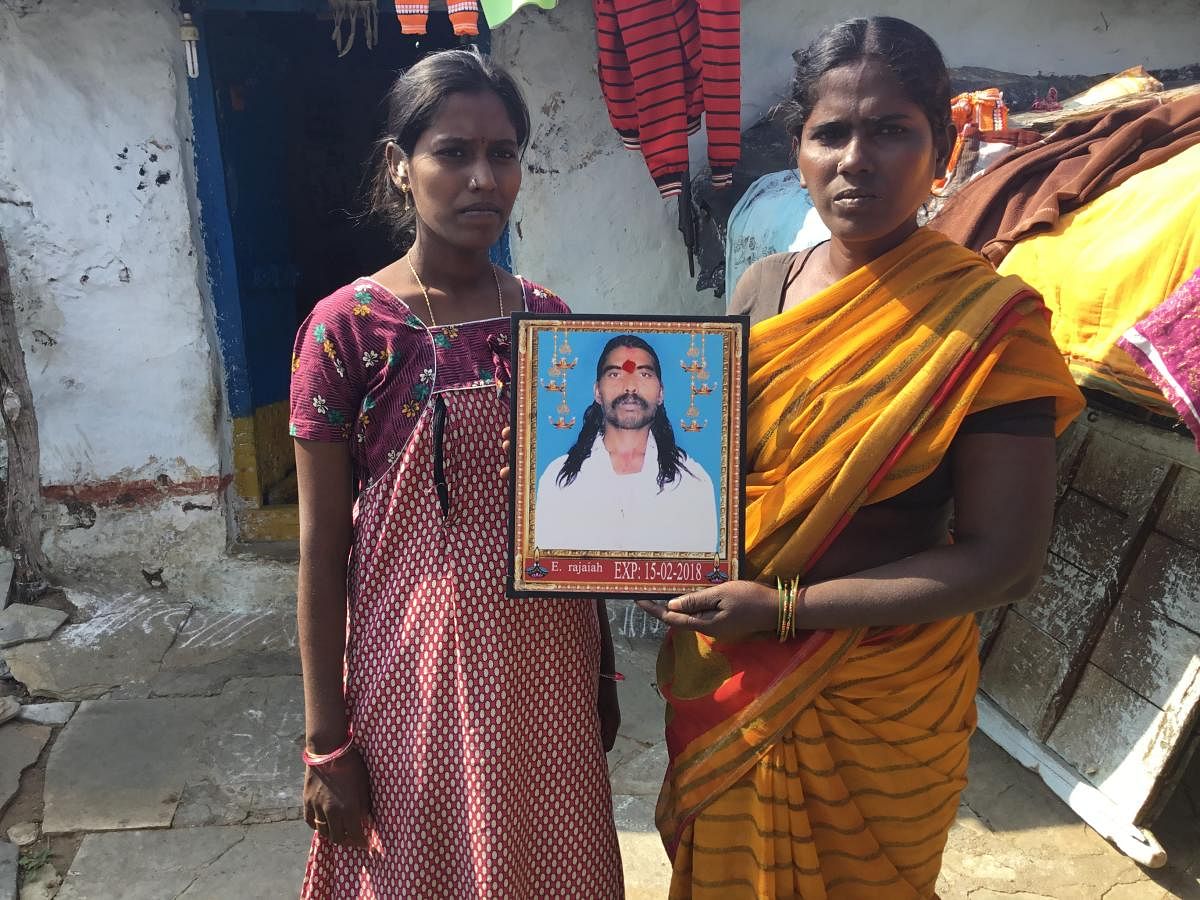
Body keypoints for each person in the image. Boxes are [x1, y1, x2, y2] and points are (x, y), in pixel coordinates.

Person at [636, 17, 1086, 898]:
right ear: (798, 149)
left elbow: (1004, 562)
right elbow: (700, 471)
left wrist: (783, 609)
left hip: (880, 690)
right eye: (830, 133)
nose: (857, 159)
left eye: (890, 130)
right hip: (733, 671)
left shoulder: (990, 323)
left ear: (943, 147)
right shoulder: (763, 289)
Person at [289, 49, 623, 899]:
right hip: (418, 669)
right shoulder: (348, 330)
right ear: (400, 167)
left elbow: (588, 518)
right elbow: (322, 553)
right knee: (421, 866)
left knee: (548, 861)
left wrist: (603, 670)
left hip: (549, 667)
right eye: (452, 152)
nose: (483, 177)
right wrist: (327, 742)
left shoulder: (549, 320)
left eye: (503, 153)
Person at [535, 335, 719, 553]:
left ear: (661, 393)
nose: (630, 387)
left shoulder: (693, 482)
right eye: (615, 374)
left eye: (644, 374)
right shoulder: (558, 480)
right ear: (597, 392)